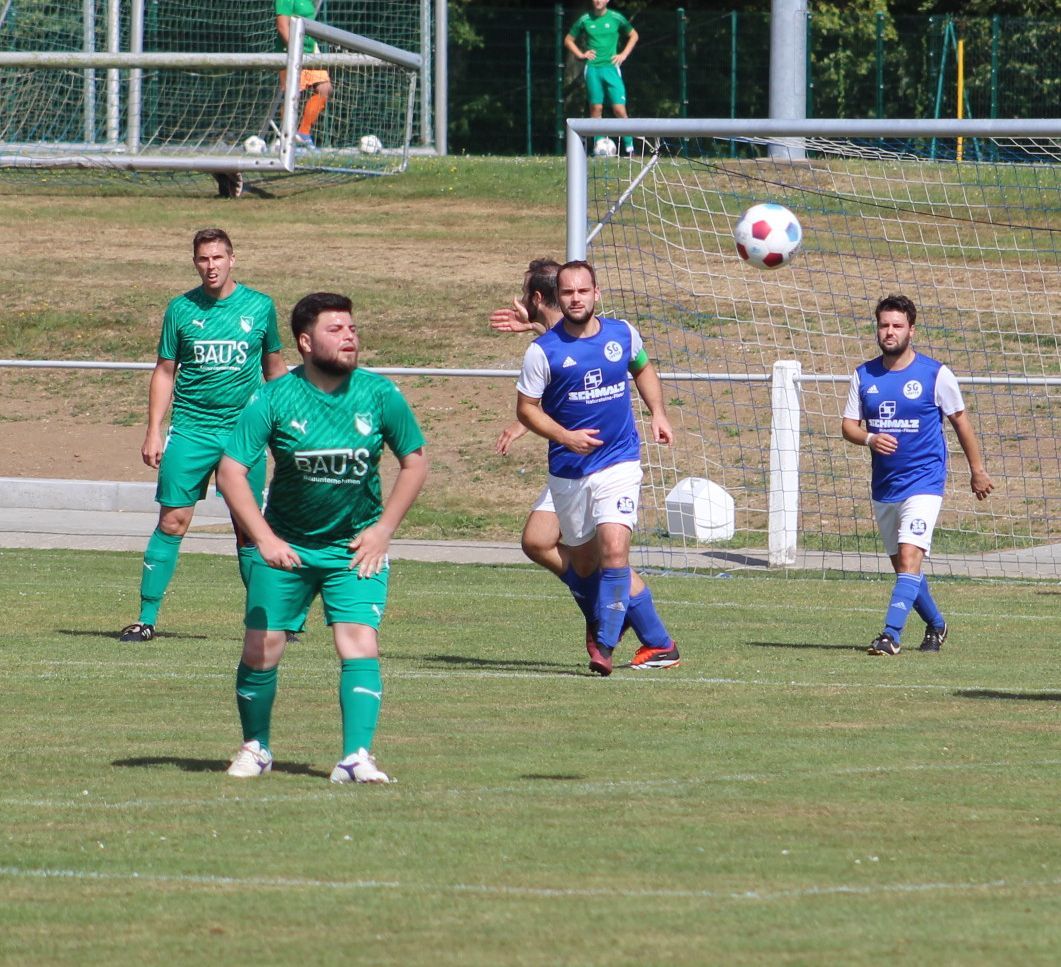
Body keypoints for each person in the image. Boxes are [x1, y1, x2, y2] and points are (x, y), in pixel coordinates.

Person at [217, 291, 428, 782]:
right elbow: (230, 472)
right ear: (306, 342)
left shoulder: (380, 394)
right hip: (286, 545)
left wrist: (382, 531)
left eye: (352, 328)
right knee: (261, 648)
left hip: (354, 548)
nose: (349, 336)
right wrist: (264, 538)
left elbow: (415, 462)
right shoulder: (273, 397)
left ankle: (356, 758)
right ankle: (256, 748)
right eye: (335, 329)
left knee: (359, 642)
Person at [493, 259, 678, 676]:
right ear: (556, 297)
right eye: (568, 292)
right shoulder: (543, 350)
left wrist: (659, 413)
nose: (575, 298)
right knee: (574, 558)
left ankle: (608, 643)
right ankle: (623, 620)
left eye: (582, 291)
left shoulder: (621, 333)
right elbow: (529, 405)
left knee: (614, 549)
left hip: (618, 461)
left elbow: (642, 366)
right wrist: (564, 436)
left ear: (597, 293)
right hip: (569, 468)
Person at [119, 228, 289, 643]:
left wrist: (286, 427)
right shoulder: (180, 309)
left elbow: (275, 370)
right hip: (191, 430)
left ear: (232, 259)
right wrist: (153, 430)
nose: (211, 266)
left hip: (243, 435)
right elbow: (165, 371)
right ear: (195, 262)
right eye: (203, 259)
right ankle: (146, 619)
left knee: (249, 528)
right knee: (172, 521)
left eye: (217, 258)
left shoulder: (260, 306)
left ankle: (267, 621)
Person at [841, 294, 994, 656]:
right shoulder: (864, 375)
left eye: (897, 325)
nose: (889, 331)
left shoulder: (935, 374)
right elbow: (848, 426)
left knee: (910, 557)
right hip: (885, 485)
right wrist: (870, 438)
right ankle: (937, 624)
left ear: (912, 330)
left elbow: (960, 421)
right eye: (884, 325)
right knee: (904, 569)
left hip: (924, 482)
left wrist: (977, 470)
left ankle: (890, 635)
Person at [564, 0, 639, 157]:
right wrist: (580, 55)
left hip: (611, 69)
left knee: (619, 109)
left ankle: (630, 149)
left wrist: (623, 54)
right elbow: (568, 40)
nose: (598, 1)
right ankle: (599, 144)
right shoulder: (585, 19)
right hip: (593, 69)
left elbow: (633, 35)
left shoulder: (616, 18)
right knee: (596, 109)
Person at [275, 0, 333, 150]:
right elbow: (282, 26)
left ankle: (304, 134)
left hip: (310, 51)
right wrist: (294, 49)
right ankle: (287, 139)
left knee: (324, 88)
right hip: (291, 51)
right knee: (292, 94)